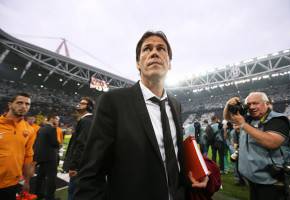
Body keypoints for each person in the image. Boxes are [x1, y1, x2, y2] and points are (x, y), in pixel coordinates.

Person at [74, 31, 218, 200]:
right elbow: (90, 174)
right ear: (138, 63)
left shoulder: (176, 105)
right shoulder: (113, 102)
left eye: (161, 49)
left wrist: (196, 172)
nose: (154, 52)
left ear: (169, 64)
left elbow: (174, 156)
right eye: (147, 49)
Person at [224, 92, 290, 200]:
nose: (252, 107)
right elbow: (228, 116)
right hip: (253, 179)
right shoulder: (249, 118)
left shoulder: (278, 120)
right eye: (249, 104)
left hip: (271, 181)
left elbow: (272, 142)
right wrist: (229, 105)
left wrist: (243, 124)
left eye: (256, 103)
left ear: (266, 103)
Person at [0, 93, 35, 200]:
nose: (24, 106)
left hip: (11, 183)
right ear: (10, 105)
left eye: (27, 104)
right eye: (20, 102)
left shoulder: (29, 130)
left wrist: (27, 182)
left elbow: (28, 157)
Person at [63, 97, 94, 200]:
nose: (79, 105)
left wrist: (74, 166)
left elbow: (81, 144)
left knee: (74, 192)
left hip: (80, 167)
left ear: (89, 107)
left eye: (83, 103)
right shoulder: (88, 120)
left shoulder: (86, 121)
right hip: (85, 165)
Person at [34, 114, 60, 200]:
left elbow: (36, 143)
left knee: (40, 176)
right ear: (52, 119)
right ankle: (50, 197)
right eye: (57, 119)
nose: (58, 121)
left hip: (41, 157)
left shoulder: (41, 129)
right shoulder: (52, 129)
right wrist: (58, 145)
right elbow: (55, 143)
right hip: (50, 157)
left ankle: (38, 194)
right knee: (51, 178)